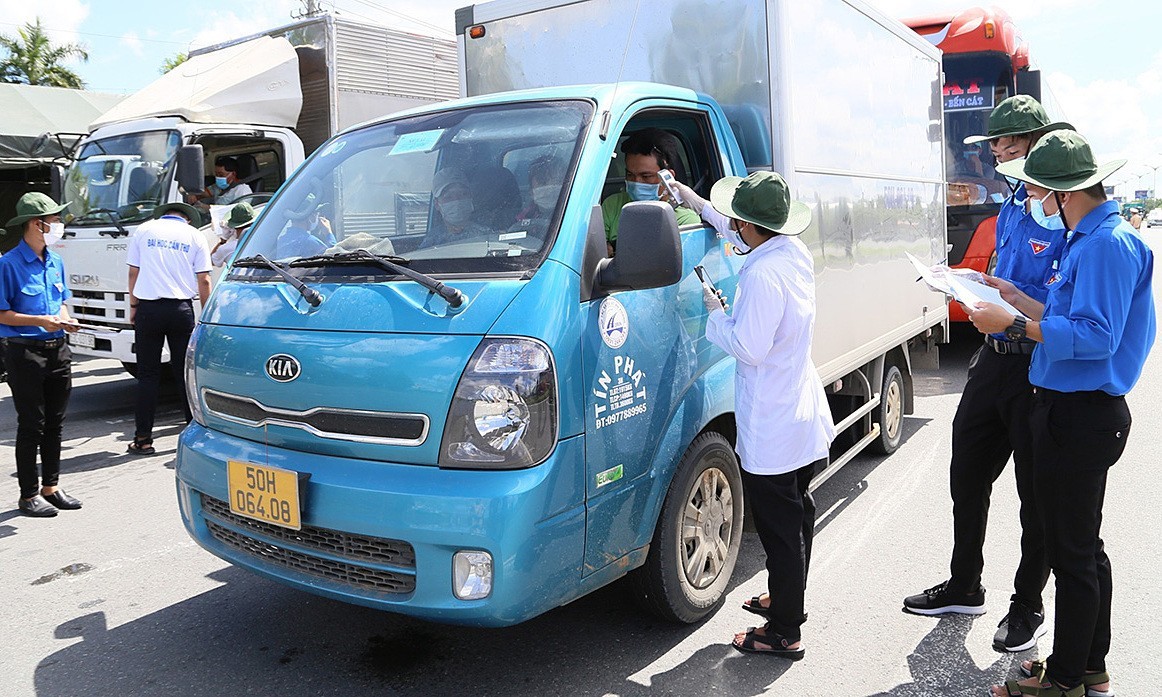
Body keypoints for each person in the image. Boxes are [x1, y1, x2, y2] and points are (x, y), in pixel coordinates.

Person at [972, 130, 1154, 697]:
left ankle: (1068, 678)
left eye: (1040, 189)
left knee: (1072, 554)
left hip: (1081, 412)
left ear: (1062, 191)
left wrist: (1016, 326)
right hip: (1072, 408)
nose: (1035, 198)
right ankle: (1087, 666)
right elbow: (1066, 309)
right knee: (1083, 548)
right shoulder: (1090, 237)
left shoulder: (1103, 244)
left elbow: (1098, 335)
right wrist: (1013, 295)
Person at [903, 95, 1073, 654]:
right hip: (992, 362)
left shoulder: (1071, 213)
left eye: (1012, 147)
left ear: (1041, 144)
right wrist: (965, 284)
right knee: (966, 476)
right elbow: (1006, 273)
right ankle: (964, 584)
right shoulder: (1014, 202)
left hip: (1037, 368)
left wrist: (1014, 309)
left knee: (1036, 498)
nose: (1001, 157)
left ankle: (1028, 605)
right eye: (995, 148)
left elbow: (1067, 301)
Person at [678, 171, 835, 659]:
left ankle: (785, 629)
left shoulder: (765, 274)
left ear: (753, 227)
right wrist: (694, 202)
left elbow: (749, 346)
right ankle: (788, 596)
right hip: (796, 408)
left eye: (738, 222)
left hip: (773, 416)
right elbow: (736, 233)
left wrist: (716, 313)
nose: (735, 228)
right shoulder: (789, 252)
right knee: (798, 509)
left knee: (780, 527)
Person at [0, 192, 83, 517]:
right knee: (31, 424)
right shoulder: (8, 264)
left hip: (57, 349)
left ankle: (51, 486)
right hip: (25, 353)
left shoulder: (56, 261)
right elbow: (3, 314)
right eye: (55, 220)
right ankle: (28, 494)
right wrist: (41, 321)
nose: (59, 225)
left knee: (56, 423)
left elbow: (61, 299)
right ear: (38, 224)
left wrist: (64, 318)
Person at [126, 202, 212, 455]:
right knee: (183, 373)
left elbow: (133, 273)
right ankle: (193, 432)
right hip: (180, 311)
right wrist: (205, 315)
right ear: (187, 218)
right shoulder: (195, 235)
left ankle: (143, 439)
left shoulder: (144, 230)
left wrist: (133, 305)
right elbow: (204, 279)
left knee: (148, 374)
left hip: (148, 310)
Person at [601, 128, 700, 256]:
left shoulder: (685, 219)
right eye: (630, 175)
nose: (636, 183)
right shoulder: (612, 204)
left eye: (646, 176)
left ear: (667, 177)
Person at [422, 167, 491, 248]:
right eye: (448, 197)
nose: (457, 201)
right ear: (437, 204)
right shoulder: (431, 242)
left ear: (471, 198)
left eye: (463, 194)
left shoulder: (487, 236)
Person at [274, 194, 336, 259]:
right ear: (311, 216)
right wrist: (328, 233)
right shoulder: (310, 242)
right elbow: (334, 257)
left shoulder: (282, 240)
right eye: (318, 214)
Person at [187, 156, 252, 208]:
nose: (218, 177)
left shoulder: (243, 191)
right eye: (216, 174)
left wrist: (208, 208)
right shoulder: (217, 187)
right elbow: (203, 193)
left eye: (221, 175)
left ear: (233, 174)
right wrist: (192, 194)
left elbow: (239, 212)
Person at [212, 202, 257, 268]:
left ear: (233, 226)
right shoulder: (262, 238)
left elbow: (210, 262)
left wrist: (223, 240)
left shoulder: (225, 248)